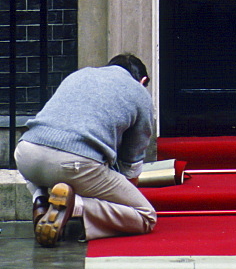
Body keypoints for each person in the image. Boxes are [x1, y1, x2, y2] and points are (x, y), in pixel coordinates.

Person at [14, 54, 157, 247]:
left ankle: (41, 202)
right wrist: (124, 192)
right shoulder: (139, 92)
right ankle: (76, 207)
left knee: (42, 163)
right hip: (77, 164)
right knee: (146, 216)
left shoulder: (79, 75)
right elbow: (132, 159)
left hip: (26, 153)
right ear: (143, 81)